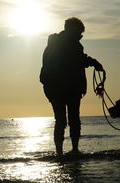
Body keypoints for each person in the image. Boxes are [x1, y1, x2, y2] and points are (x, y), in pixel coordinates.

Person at [40, 17, 104, 156]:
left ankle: (60, 153)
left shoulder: (52, 44)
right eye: (79, 32)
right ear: (71, 29)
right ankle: (73, 150)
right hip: (66, 87)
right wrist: (94, 63)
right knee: (72, 120)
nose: (80, 35)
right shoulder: (71, 44)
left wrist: (91, 63)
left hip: (54, 88)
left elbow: (75, 60)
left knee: (61, 120)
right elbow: (77, 59)